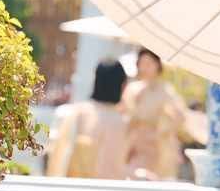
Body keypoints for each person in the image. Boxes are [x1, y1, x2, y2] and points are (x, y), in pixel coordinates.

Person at [44, 58, 131, 179]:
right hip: (109, 190)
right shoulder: (122, 122)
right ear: (121, 85)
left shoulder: (77, 112)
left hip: (74, 188)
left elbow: (58, 155)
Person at [122, 48, 192, 180]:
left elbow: (180, 116)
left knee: (155, 178)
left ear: (157, 65)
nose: (144, 68)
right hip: (135, 141)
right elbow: (125, 113)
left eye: (148, 64)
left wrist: (166, 130)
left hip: (156, 143)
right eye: (141, 64)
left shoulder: (165, 90)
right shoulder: (133, 88)